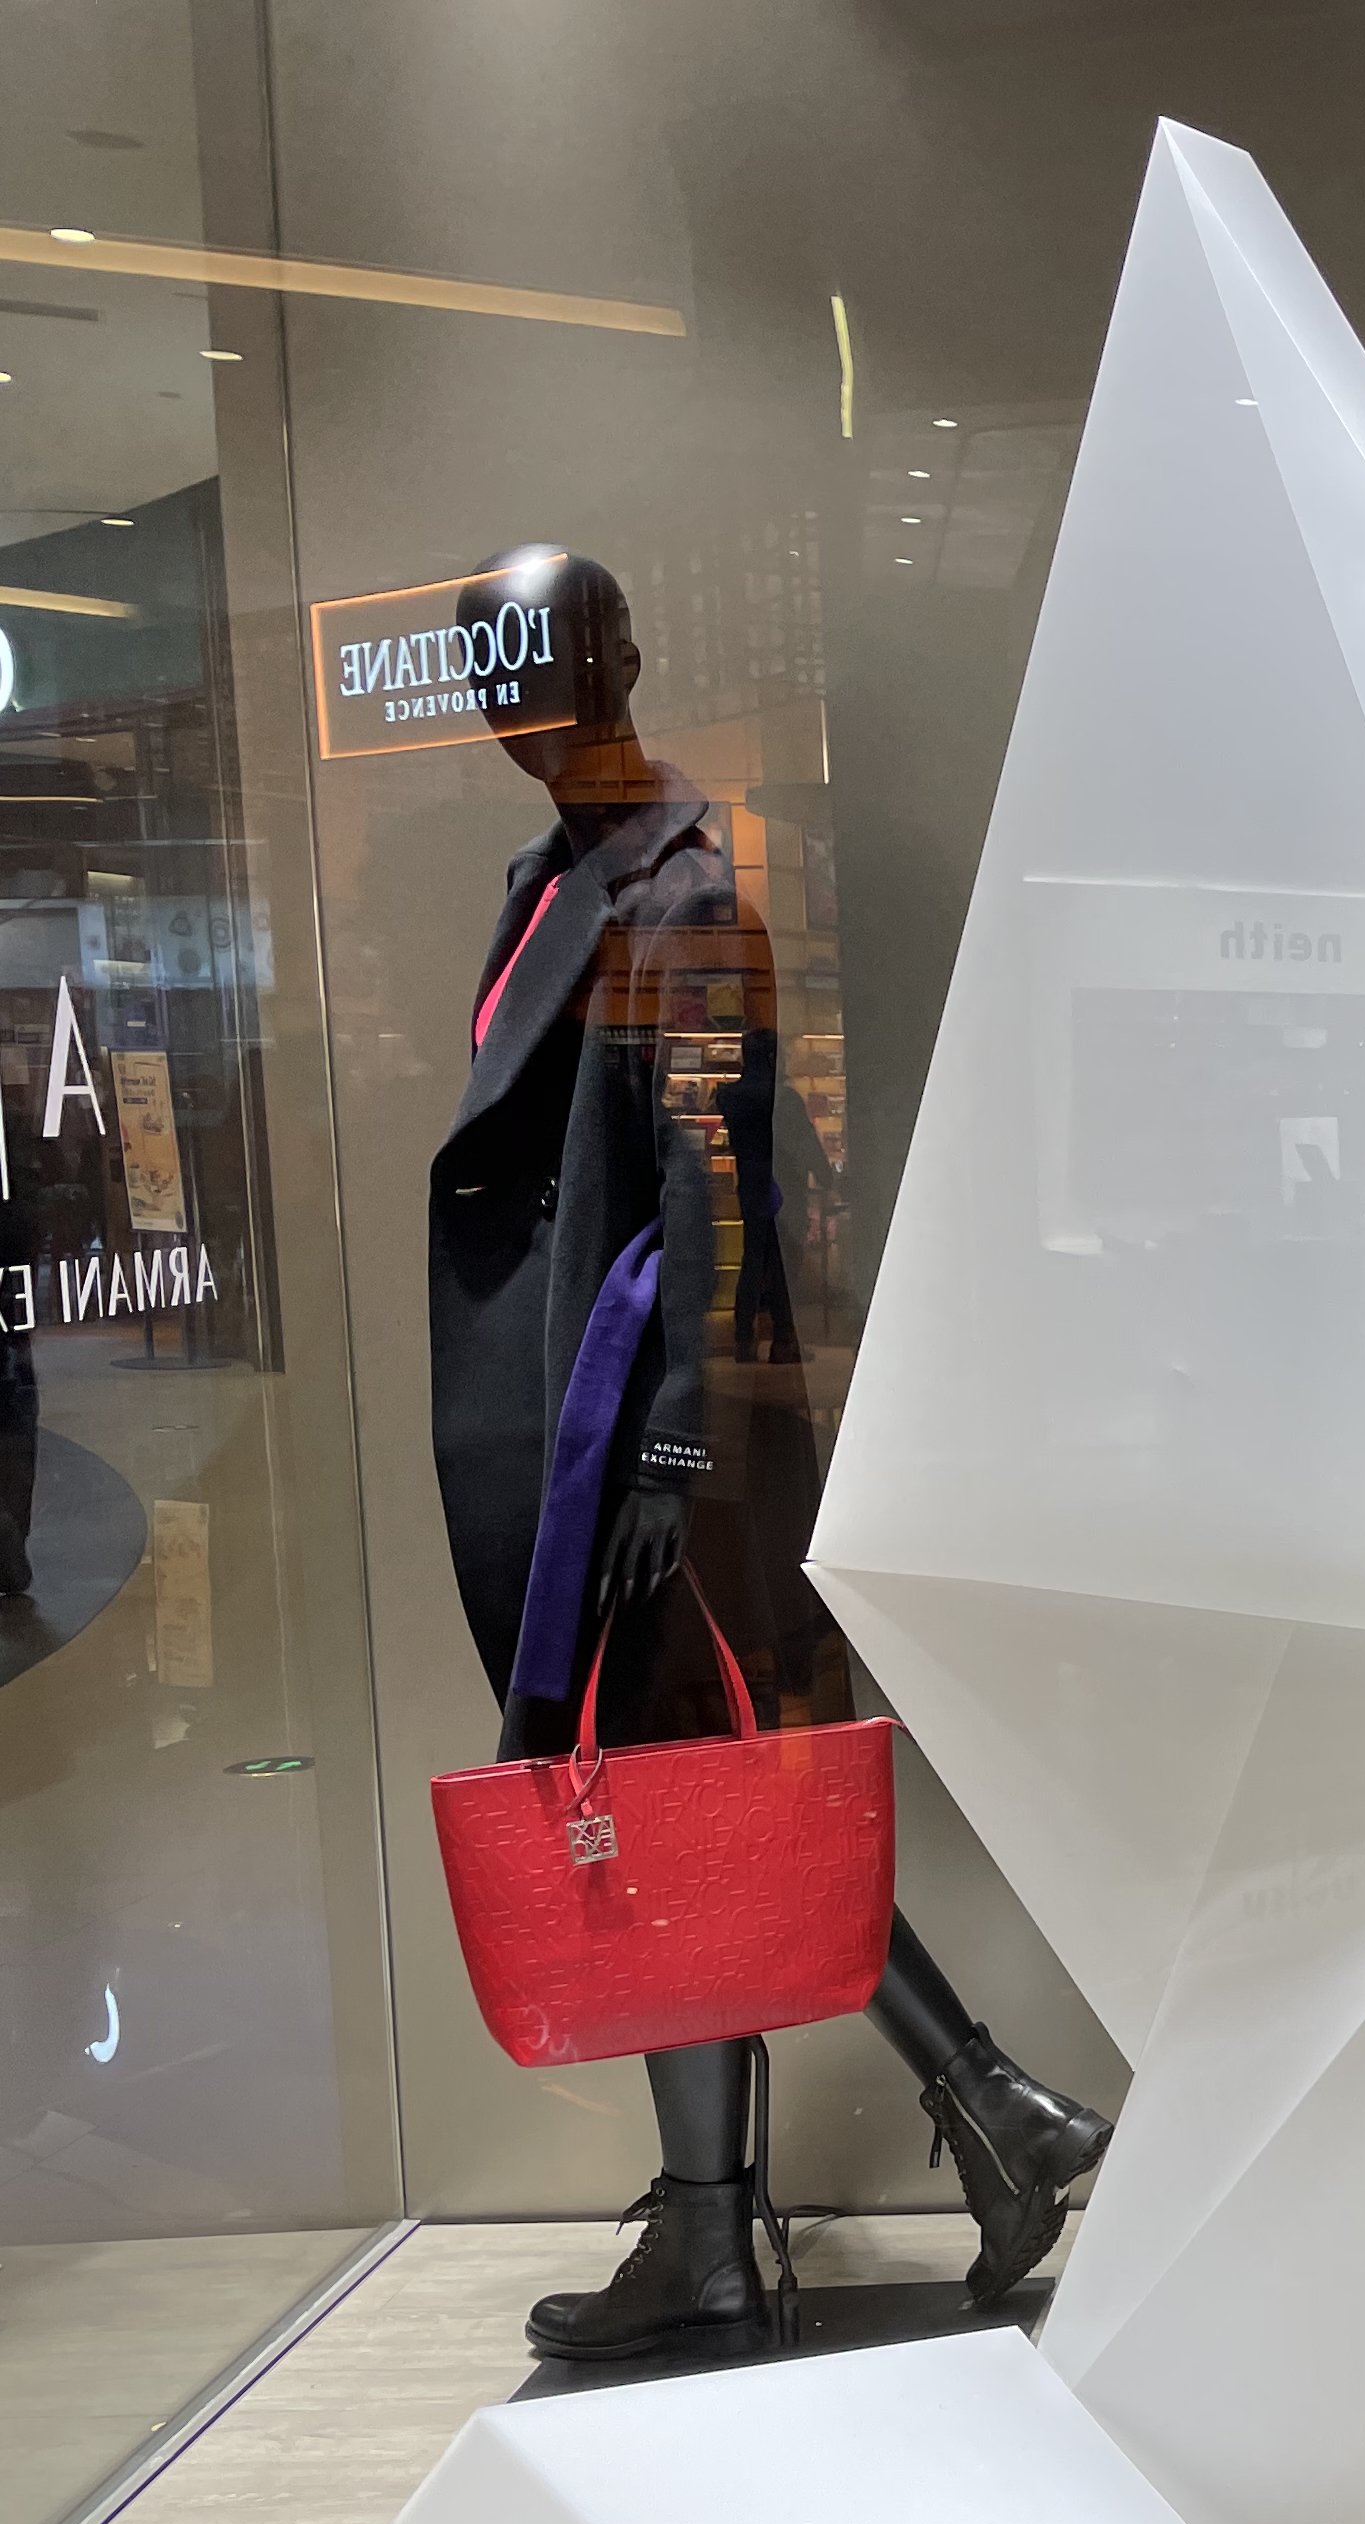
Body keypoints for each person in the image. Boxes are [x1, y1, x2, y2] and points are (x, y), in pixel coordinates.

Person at [428, 545, 1116, 2360]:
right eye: (492, 673)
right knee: (705, 1792)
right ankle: (980, 2117)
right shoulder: (553, 880)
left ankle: (727, 2235)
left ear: (623, 658)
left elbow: (715, 1176)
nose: (518, 703)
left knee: (676, 1802)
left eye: (546, 660)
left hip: (659, 1434)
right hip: (600, 1423)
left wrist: (672, 1442)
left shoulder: (681, 888)